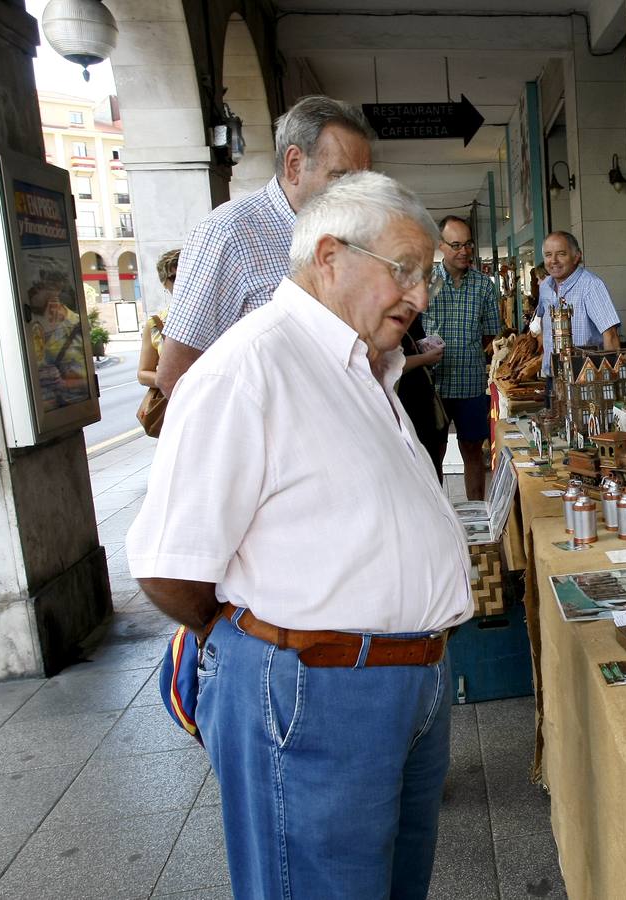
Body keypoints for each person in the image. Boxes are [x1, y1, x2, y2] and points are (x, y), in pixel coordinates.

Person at [126, 172, 468, 900]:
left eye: (426, 275)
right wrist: (267, 654)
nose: (420, 295)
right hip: (318, 692)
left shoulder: (362, 364)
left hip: (409, 684)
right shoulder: (250, 368)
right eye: (404, 271)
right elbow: (168, 568)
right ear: (328, 257)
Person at [155, 95, 374, 396]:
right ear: (294, 164)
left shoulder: (344, 236)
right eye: (341, 177)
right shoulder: (227, 233)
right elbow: (178, 377)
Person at [427, 215, 501, 500]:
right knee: (435, 452)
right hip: (434, 384)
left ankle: (478, 514)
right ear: (440, 246)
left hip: (470, 382)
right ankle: (439, 517)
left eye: (468, 244)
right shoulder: (426, 282)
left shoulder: (484, 286)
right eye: (456, 244)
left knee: (473, 451)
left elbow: (490, 337)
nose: (464, 251)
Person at [535, 230, 620, 378]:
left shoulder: (591, 286)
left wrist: (612, 380)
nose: (553, 260)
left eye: (561, 254)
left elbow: (610, 335)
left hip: (584, 378)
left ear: (576, 256)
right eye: (548, 255)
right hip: (552, 377)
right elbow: (543, 323)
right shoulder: (545, 287)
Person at [397, 312, 448, 481]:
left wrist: (427, 350)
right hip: (404, 404)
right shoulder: (382, 322)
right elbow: (390, 364)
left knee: (431, 461)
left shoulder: (411, 319)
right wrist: (424, 358)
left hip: (422, 401)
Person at [137, 249, 180, 392]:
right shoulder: (156, 324)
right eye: (173, 278)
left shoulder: (217, 315)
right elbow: (143, 373)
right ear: (164, 283)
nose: (180, 282)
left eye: (185, 275)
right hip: (176, 402)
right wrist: (173, 381)